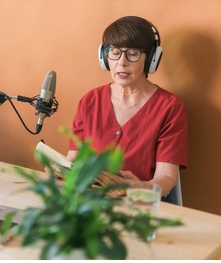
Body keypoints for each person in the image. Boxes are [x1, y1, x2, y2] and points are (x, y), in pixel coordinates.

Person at [67, 16, 188, 199]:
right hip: (87, 203)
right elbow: (73, 160)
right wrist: (59, 170)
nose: (122, 62)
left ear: (151, 59)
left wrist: (135, 187)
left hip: (137, 207)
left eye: (132, 53)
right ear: (104, 56)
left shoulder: (170, 107)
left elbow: (166, 179)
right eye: (114, 52)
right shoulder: (90, 100)